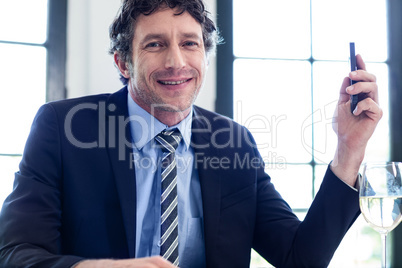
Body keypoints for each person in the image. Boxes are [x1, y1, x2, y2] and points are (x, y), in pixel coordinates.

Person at [0, 0, 382, 267]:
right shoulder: (64, 128)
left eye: (189, 44)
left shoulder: (235, 144)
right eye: (155, 44)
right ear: (124, 61)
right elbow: (16, 254)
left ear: (204, 55)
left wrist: (349, 149)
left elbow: (301, 259)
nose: (176, 62)